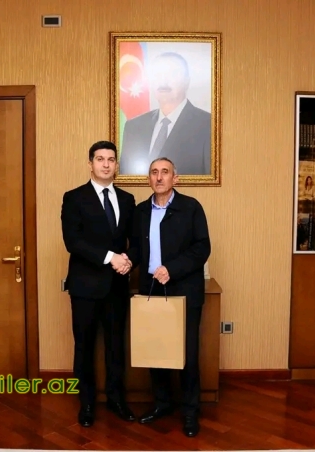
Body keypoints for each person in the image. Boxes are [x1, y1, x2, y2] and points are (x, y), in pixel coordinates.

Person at [126, 157, 211, 437]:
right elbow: (136, 248)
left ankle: (190, 412)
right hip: (151, 290)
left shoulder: (191, 207)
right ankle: (162, 404)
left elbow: (202, 248)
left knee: (187, 354)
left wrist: (172, 269)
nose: (159, 177)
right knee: (156, 350)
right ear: (148, 179)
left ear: (176, 178)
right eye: (154, 172)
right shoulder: (140, 211)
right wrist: (127, 262)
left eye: (165, 172)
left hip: (184, 291)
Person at [60, 140, 136, 427]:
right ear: (90, 163)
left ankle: (116, 400)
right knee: (85, 346)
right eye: (100, 159)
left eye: (111, 159)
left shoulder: (127, 200)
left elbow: (135, 240)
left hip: (117, 286)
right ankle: (87, 403)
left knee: (116, 346)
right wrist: (110, 257)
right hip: (85, 287)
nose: (106, 164)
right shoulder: (74, 198)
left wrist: (128, 260)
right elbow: (73, 241)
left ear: (117, 165)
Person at [119, 52, 211, 176]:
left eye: (172, 74)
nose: (163, 81)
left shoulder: (208, 125)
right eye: (157, 75)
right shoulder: (133, 126)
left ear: (187, 82)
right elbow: (125, 178)